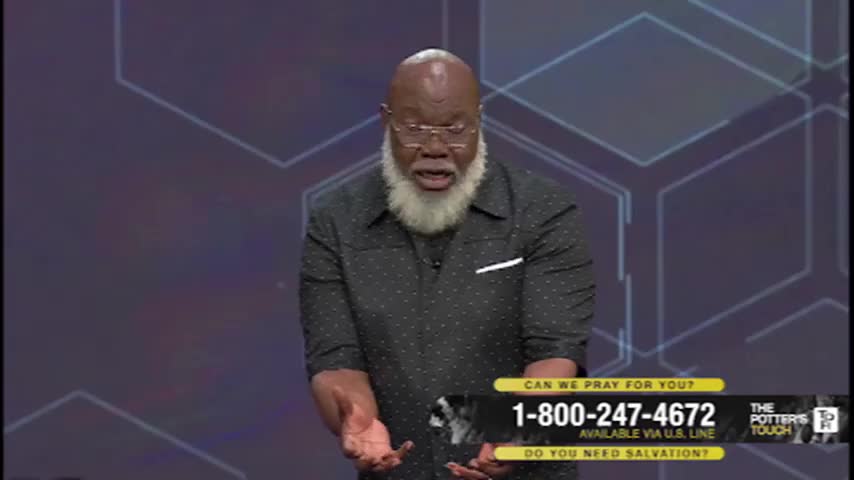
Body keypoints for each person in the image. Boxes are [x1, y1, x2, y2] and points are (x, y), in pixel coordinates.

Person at [299, 48, 595, 480]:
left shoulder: (543, 211)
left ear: (479, 122)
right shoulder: (337, 221)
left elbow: (555, 349)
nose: (435, 148)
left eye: (455, 129)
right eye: (414, 128)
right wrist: (355, 419)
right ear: (386, 122)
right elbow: (334, 357)